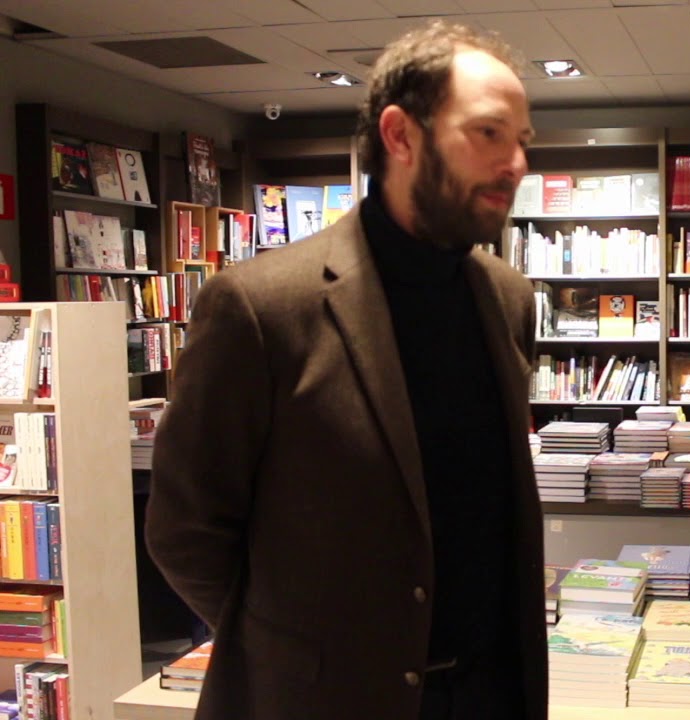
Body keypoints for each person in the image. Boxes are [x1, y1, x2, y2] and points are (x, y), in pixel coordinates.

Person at [146, 20, 546, 720]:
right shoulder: (261, 307)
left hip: (491, 695)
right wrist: (297, 649)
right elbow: (186, 530)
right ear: (400, 135)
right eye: (489, 133)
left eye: (522, 141)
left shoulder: (507, 298)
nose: (515, 162)